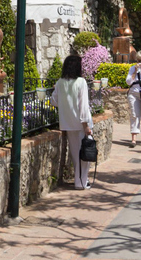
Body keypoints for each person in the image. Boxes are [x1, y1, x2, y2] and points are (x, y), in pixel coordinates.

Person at [50, 54, 94, 190]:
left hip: (67, 124)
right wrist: (86, 125)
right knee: (85, 154)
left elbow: (54, 102)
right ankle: (81, 182)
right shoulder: (81, 82)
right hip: (80, 124)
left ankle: (79, 180)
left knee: (76, 154)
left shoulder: (60, 82)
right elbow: (83, 106)